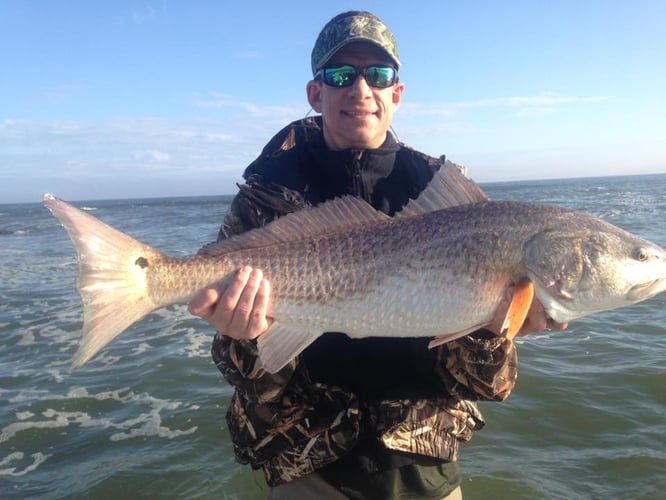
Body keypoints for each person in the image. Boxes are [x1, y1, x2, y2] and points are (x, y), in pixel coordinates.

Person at [189, 11, 567, 499]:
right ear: (316, 93)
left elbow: (486, 386)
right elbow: (237, 370)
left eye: (379, 74)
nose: (360, 89)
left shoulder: (449, 193)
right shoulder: (265, 199)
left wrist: (497, 333)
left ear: (397, 93)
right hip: (307, 469)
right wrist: (246, 338)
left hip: (421, 469)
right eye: (341, 75)